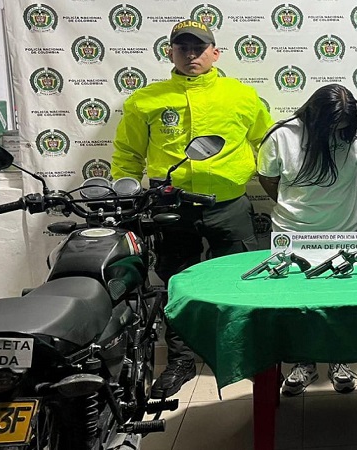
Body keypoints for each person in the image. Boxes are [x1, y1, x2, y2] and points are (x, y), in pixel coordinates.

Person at [112, 19, 272, 398]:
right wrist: (127, 196)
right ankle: (181, 360)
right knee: (177, 283)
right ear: (170, 52)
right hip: (171, 206)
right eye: (182, 48)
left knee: (241, 280)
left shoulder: (241, 96)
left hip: (228, 204)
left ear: (215, 53)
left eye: (199, 48)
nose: (190, 55)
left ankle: (245, 354)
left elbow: (269, 143)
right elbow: (128, 154)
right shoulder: (145, 100)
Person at [257, 84, 357, 394]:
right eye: (332, 128)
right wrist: (298, 210)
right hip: (293, 233)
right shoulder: (282, 135)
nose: (338, 133)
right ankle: (302, 363)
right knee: (298, 305)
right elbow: (269, 180)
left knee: (341, 303)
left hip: (345, 230)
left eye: (343, 129)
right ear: (314, 116)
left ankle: (339, 359)